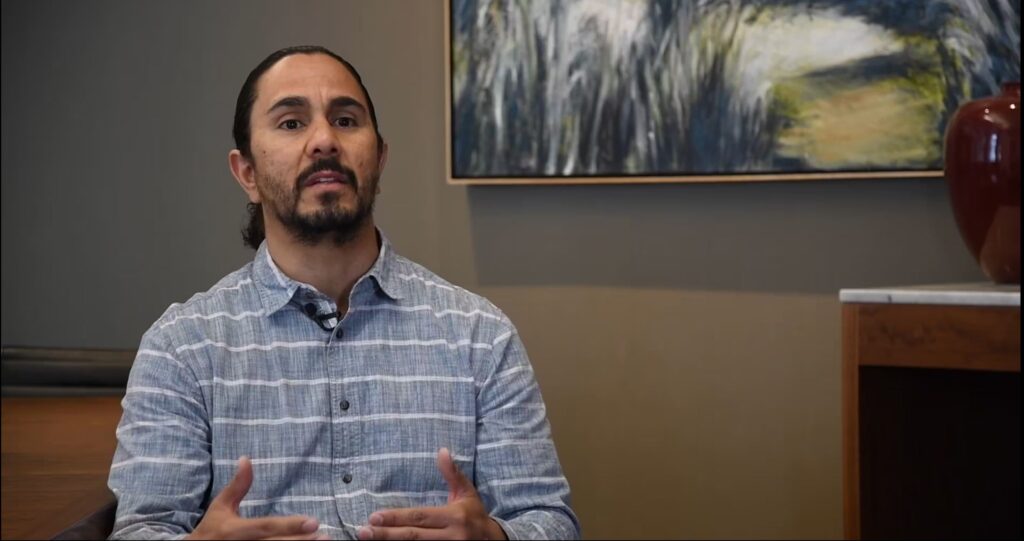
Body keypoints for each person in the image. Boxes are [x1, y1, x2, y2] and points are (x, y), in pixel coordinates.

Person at [108, 45, 579, 541]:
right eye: (291, 122)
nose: (324, 141)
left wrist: (495, 537)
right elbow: (139, 530)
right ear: (247, 173)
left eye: (346, 120)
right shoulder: (181, 347)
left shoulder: (480, 336)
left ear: (379, 157)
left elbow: (550, 520)